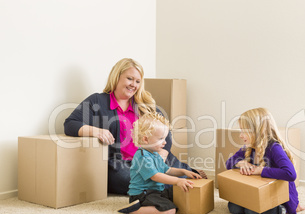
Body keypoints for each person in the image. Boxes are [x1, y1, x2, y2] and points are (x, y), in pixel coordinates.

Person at [64, 58, 204, 195]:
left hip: (152, 157)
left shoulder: (144, 105)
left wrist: (163, 153)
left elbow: (165, 130)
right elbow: (70, 124)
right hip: (121, 164)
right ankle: (166, 186)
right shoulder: (97, 100)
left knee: (191, 176)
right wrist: (96, 131)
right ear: (116, 77)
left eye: (137, 81)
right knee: (141, 180)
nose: (134, 84)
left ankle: (170, 182)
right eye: (129, 79)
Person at [225, 107, 305, 214]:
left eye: (244, 131)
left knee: (253, 212)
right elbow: (228, 162)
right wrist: (240, 163)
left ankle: (284, 209)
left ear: (257, 130)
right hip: (257, 193)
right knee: (234, 208)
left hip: (277, 196)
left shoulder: (274, 148)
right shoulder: (249, 148)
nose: (240, 135)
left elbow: (290, 174)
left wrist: (260, 170)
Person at [118, 112, 202, 214]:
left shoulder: (155, 154)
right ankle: (132, 209)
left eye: (165, 138)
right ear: (145, 139)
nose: (165, 142)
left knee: (177, 192)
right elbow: (156, 176)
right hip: (142, 194)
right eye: (161, 139)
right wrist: (177, 180)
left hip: (156, 191)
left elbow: (167, 170)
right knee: (170, 211)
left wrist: (184, 172)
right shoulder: (143, 156)